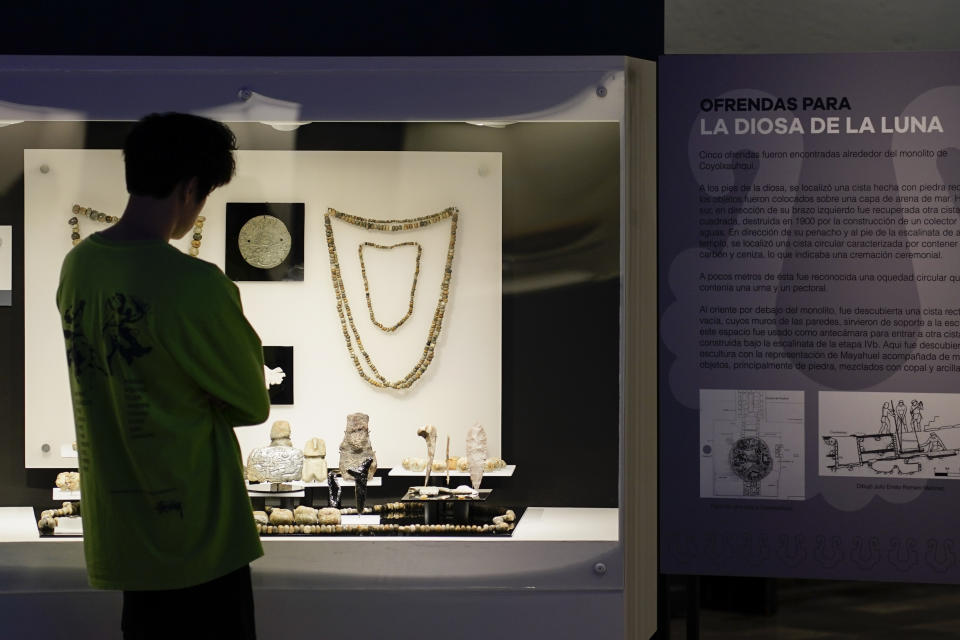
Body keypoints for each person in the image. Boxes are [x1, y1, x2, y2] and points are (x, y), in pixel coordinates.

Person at [56, 113, 270, 639]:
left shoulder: (78, 267)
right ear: (190, 188)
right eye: (204, 197)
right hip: (199, 534)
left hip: (124, 532)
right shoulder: (194, 284)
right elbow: (252, 402)